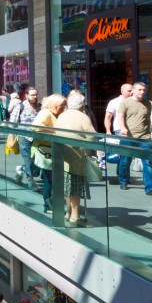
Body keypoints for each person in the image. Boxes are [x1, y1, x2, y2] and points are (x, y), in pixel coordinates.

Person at [55, 90, 96, 226]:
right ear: (82, 104)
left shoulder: (62, 116)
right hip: (77, 155)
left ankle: (68, 213)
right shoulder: (83, 117)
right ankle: (75, 217)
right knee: (76, 188)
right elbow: (92, 136)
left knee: (67, 187)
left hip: (63, 155)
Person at [115, 82, 152, 195]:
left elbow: (148, 119)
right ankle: (123, 180)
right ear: (133, 90)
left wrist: (149, 131)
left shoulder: (148, 104)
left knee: (147, 163)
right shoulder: (125, 102)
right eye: (140, 90)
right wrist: (123, 128)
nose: (142, 92)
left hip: (145, 137)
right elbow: (120, 116)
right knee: (125, 161)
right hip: (128, 137)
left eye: (144, 90)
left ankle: (150, 187)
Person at [32, 93, 68, 213]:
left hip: (55, 149)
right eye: (61, 105)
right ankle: (48, 205)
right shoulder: (46, 113)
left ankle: (53, 203)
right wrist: (55, 131)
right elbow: (36, 127)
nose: (63, 108)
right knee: (49, 178)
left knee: (54, 178)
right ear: (54, 105)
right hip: (46, 150)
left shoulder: (56, 114)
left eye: (64, 105)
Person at [11, 86, 41, 189]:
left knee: (37, 160)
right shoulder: (20, 107)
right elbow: (12, 123)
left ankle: (22, 169)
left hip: (38, 138)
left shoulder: (40, 107)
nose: (35, 97)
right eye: (32, 95)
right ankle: (30, 181)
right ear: (26, 95)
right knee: (28, 159)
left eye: (36, 94)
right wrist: (12, 138)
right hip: (24, 137)